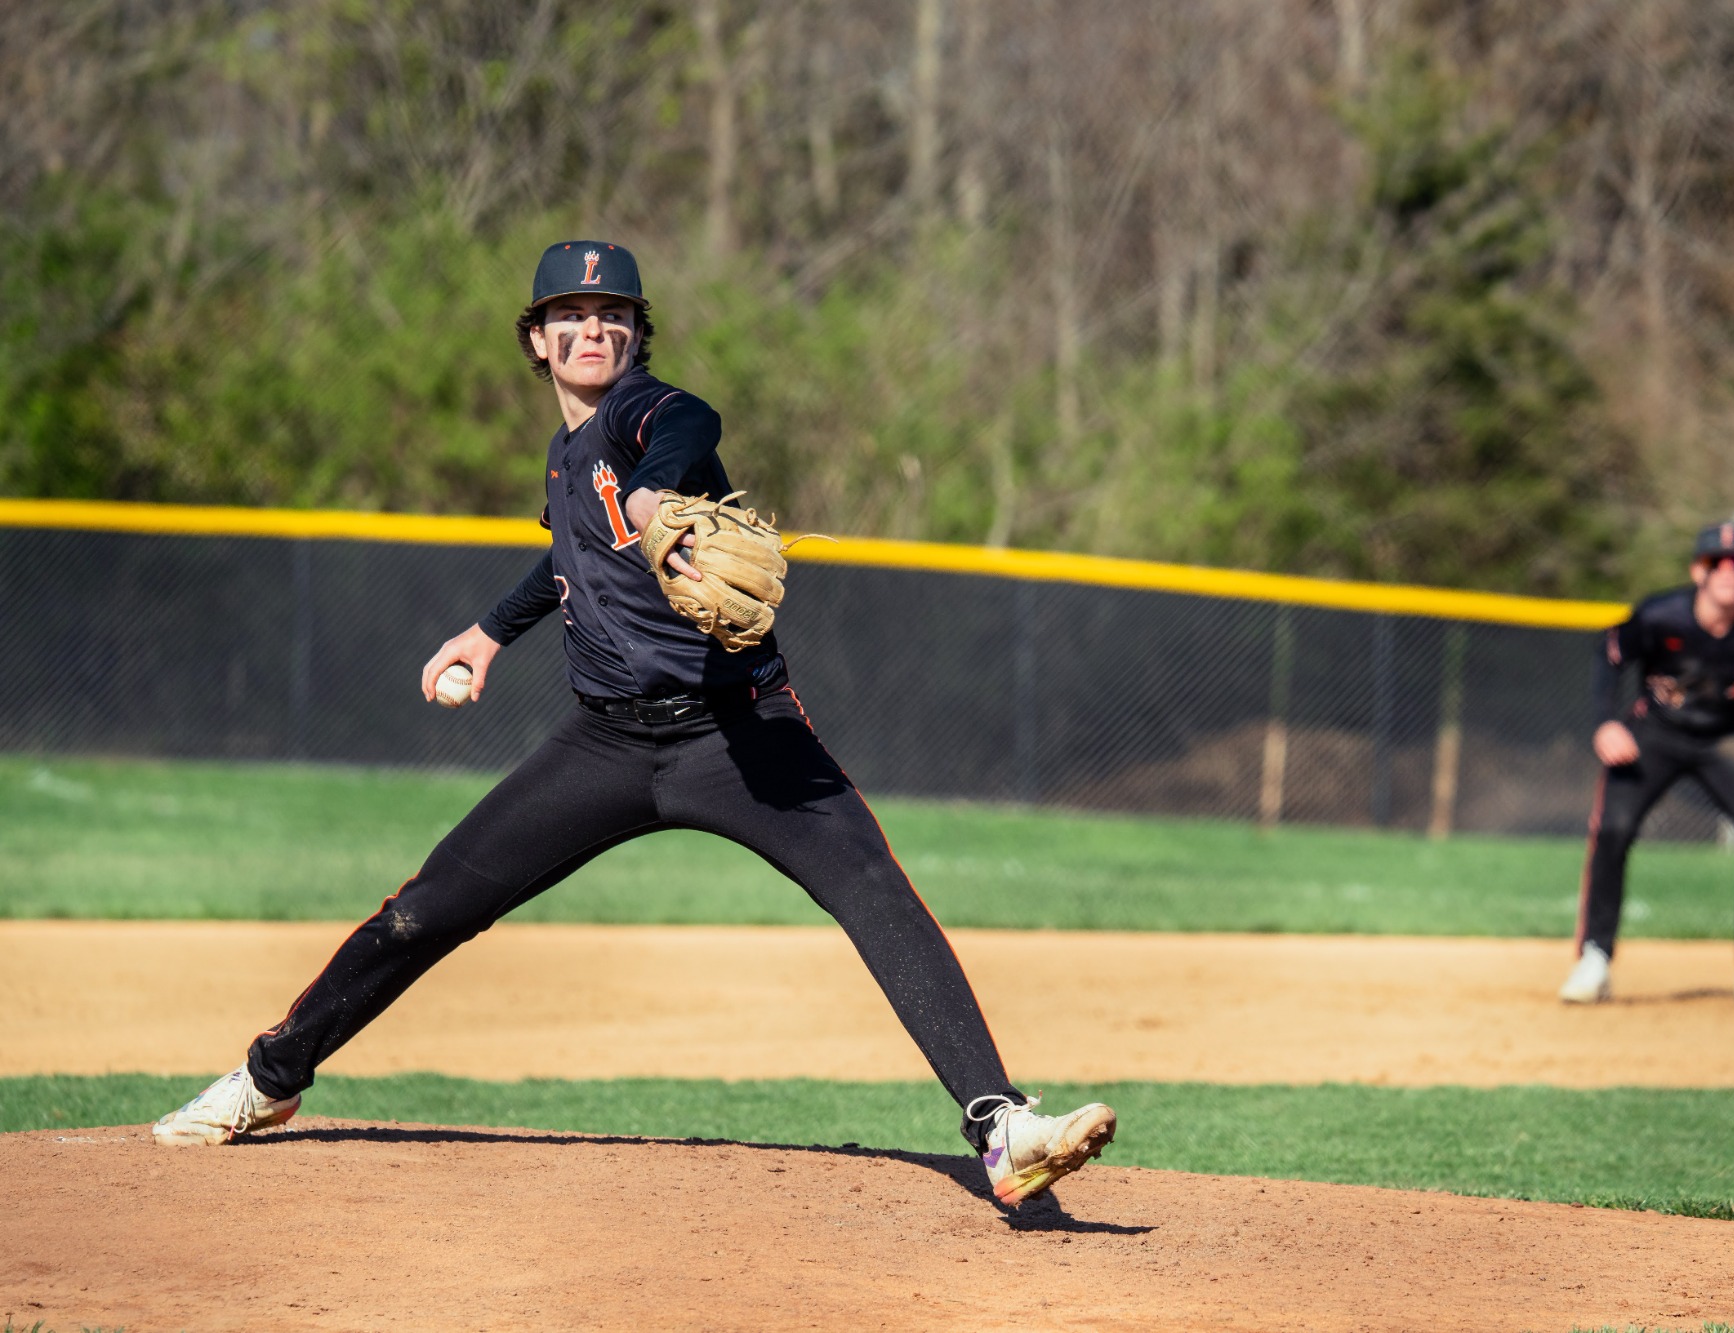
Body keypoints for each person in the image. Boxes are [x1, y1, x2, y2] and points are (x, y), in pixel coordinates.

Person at [152, 241, 1116, 1206]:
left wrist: (656, 489)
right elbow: (565, 554)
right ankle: (268, 1081)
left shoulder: (641, 414)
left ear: (636, 334)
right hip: (608, 742)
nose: (592, 327)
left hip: (740, 732)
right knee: (431, 903)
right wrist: (489, 633)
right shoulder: (566, 455)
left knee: (873, 890)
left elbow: (691, 421)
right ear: (536, 339)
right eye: (568, 313)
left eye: (612, 312)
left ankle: (1003, 1128)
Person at [1560, 521, 1734, 1008]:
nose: (1729, 570)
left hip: (1723, 736)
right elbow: (1609, 654)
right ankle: (1594, 958)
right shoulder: (1661, 616)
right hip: (1655, 732)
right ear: (1697, 571)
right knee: (1614, 828)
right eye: (1717, 562)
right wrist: (1606, 723)